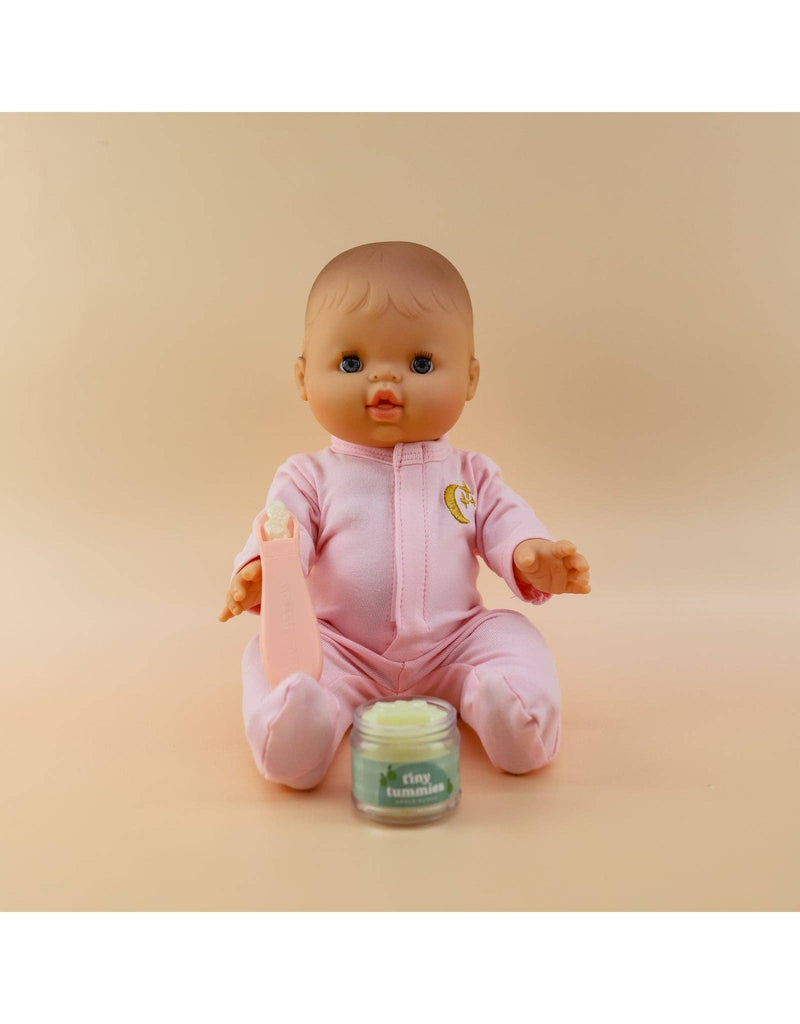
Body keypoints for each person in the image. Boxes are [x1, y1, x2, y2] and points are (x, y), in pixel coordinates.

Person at [220, 241, 591, 789]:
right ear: (302, 378)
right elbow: (283, 528)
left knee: (512, 634)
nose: (385, 383)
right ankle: (297, 725)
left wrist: (529, 554)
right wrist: (263, 572)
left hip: (453, 640)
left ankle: (512, 706)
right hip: (340, 645)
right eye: (352, 363)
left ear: (469, 378)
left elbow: (505, 521)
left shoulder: (471, 473)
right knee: (272, 660)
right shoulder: (308, 476)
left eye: (420, 364)